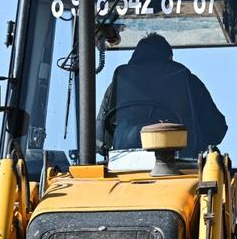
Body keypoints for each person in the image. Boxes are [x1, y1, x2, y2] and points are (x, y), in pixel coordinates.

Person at [96, 33, 227, 155]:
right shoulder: (187, 79)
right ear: (169, 57)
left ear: (135, 56)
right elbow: (216, 130)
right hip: (180, 169)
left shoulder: (118, 83)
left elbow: (99, 139)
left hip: (124, 169)